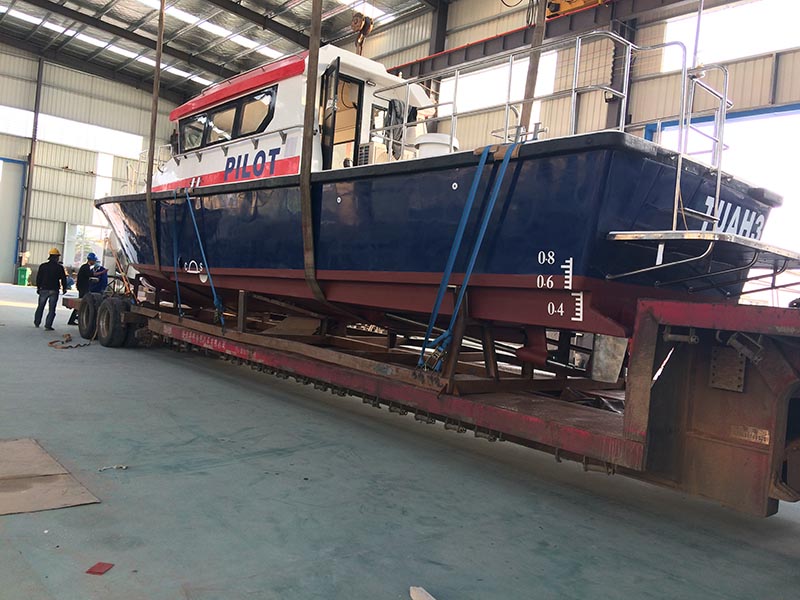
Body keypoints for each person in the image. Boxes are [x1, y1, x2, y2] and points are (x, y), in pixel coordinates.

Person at [34, 248, 68, 330]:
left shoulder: (43, 266)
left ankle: (37, 322)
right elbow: (63, 279)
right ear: (56, 257)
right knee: (52, 309)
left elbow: (39, 278)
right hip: (54, 290)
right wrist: (64, 288)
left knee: (40, 306)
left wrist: (38, 288)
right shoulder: (59, 267)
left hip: (44, 289)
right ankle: (48, 325)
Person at [67, 252, 100, 325]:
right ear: (90, 260)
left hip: (83, 287)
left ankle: (74, 319)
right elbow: (91, 275)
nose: (94, 262)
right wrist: (102, 272)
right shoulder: (85, 267)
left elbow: (86, 277)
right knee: (82, 304)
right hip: (83, 288)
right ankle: (73, 319)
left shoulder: (86, 267)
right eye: (94, 261)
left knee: (82, 304)